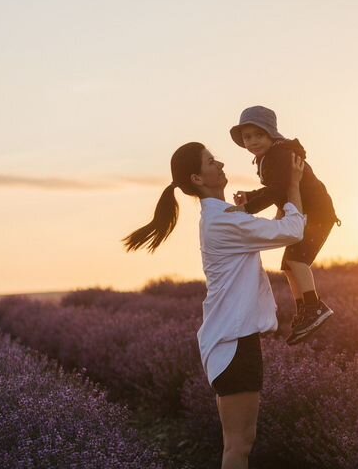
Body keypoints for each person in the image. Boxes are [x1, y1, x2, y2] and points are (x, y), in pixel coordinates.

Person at [122, 142, 306, 469]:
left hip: (233, 341)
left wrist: (266, 205)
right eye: (210, 161)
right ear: (197, 178)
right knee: (238, 446)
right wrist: (293, 184)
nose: (219, 163)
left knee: (240, 443)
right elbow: (293, 231)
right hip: (233, 344)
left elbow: (275, 231)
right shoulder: (223, 221)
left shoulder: (225, 218)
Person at [227, 105, 339, 345]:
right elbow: (275, 189)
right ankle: (304, 311)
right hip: (306, 214)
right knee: (289, 265)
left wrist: (248, 208)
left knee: (297, 261)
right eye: (248, 137)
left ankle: (314, 307)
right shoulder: (267, 158)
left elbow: (277, 189)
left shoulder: (278, 155)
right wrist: (251, 195)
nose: (253, 141)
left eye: (259, 135)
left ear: (271, 135)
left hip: (317, 214)